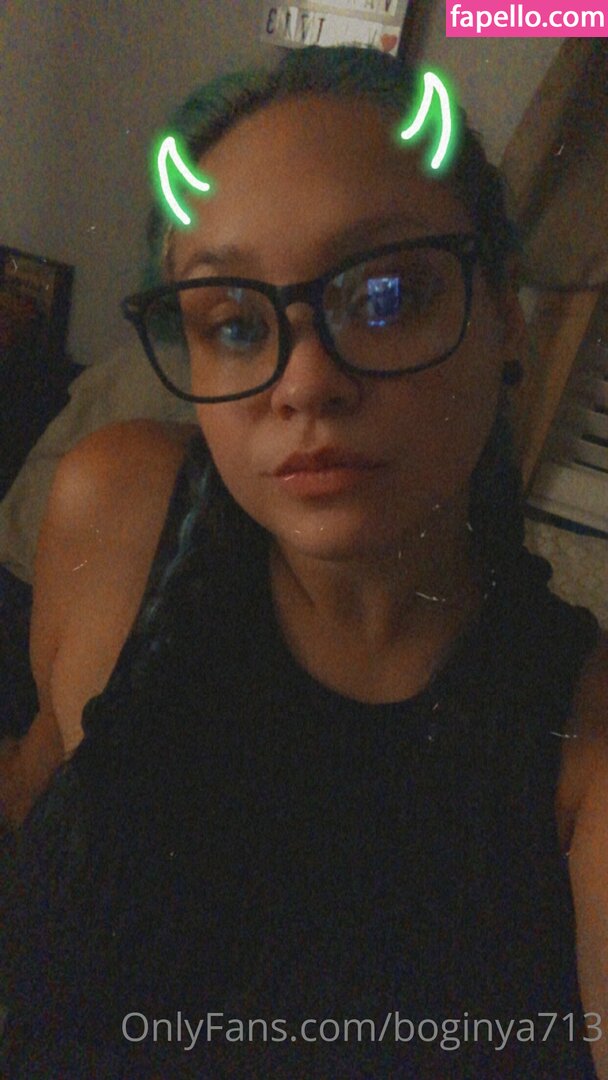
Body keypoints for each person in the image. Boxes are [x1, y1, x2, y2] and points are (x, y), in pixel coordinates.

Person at [1, 44, 607, 1079]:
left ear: (504, 315)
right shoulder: (117, 508)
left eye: (387, 296)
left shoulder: (579, 738)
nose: (305, 383)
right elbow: (45, 769)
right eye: (236, 324)